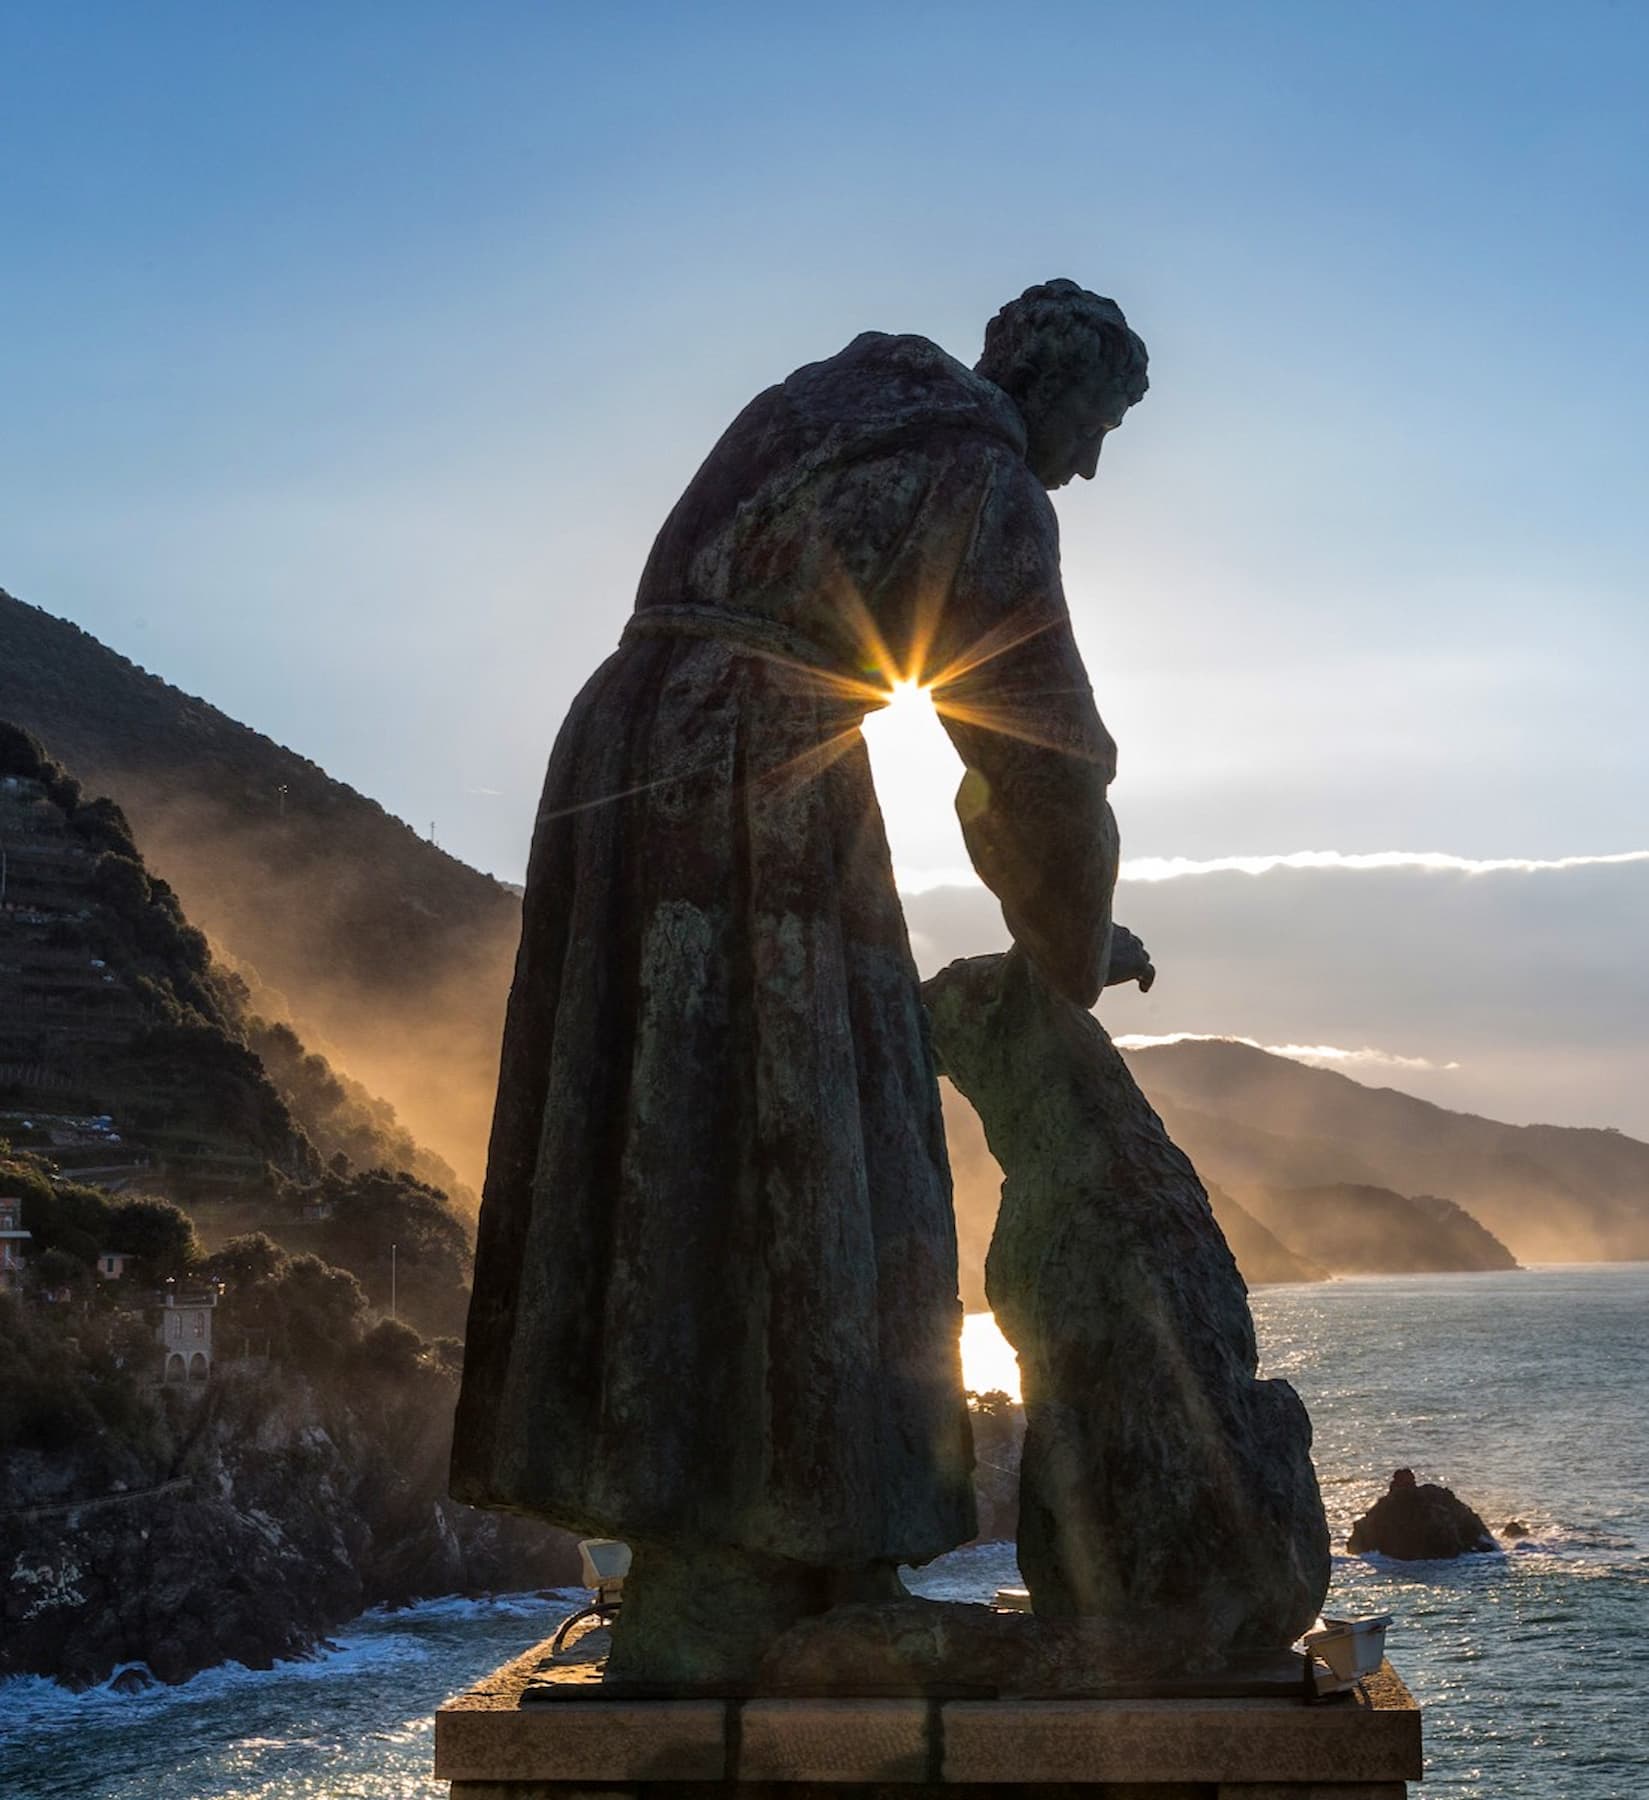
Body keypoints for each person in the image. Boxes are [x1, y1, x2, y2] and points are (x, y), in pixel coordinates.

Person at [451, 280, 1150, 1679]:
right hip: (756, 775)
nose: (1088, 462)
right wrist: (1072, 943)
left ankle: (732, 1546)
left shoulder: (823, 405)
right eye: (1099, 425)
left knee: (666, 1125)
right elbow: (1037, 743)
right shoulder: (985, 479)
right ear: (1051, 389)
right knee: (823, 1136)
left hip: (622, 745)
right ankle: (782, 1538)